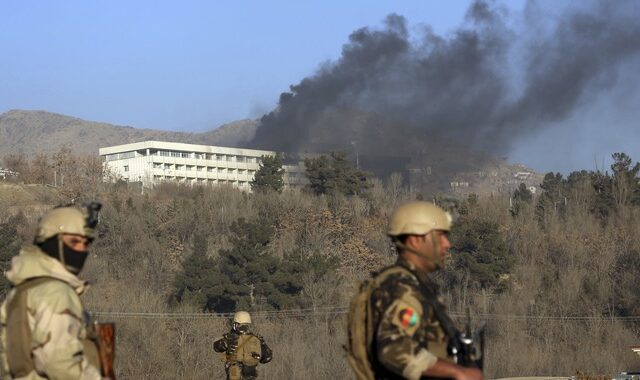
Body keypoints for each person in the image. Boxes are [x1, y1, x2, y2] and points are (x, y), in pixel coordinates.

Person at [347, 201, 484, 380]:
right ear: (415, 240)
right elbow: (394, 348)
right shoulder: (401, 287)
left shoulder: (414, 285)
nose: (447, 244)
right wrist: (457, 372)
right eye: (440, 236)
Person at [0, 203, 109, 379]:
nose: (81, 249)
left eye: (85, 243)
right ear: (51, 241)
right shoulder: (55, 292)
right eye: (73, 241)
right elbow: (59, 364)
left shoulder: (23, 289)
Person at [213, 311, 272, 380]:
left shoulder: (230, 338)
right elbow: (267, 358)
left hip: (234, 375)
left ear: (236, 324)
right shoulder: (257, 339)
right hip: (250, 377)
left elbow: (216, 348)